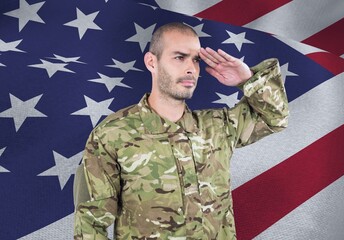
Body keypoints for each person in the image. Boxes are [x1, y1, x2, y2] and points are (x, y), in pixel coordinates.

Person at [73, 22, 289, 239]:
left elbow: (275, 118)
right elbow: (90, 224)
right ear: (152, 62)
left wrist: (249, 79)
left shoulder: (218, 127)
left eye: (195, 60)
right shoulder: (111, 135)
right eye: (179, 57)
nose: (191, 68)